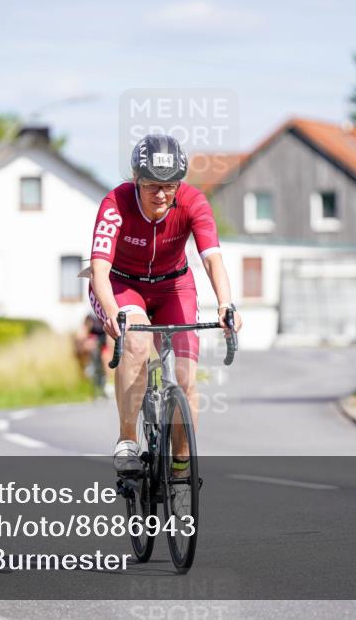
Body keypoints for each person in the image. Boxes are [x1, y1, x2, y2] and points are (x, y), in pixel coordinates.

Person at [87, 134, 242, 474]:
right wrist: (113, 314)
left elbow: (213, 259)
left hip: (174, 286)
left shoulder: (192, 202)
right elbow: (98, 269)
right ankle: (127, 440)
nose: (161, 194)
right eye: (152, 186)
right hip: (122, 285)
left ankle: (180, 468)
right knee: (137, 343)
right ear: (136, 180)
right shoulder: (115, 203)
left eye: (170, 185)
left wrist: (226, 305)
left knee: (185, 377)